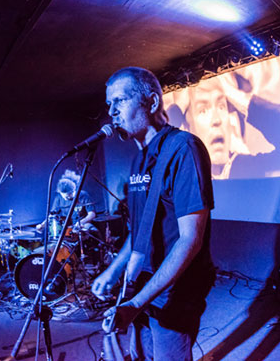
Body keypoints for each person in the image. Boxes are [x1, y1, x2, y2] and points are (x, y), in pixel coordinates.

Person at [92, 67, 215, 360]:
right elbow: (139, 232)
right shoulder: (139, 160)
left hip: (174, 288)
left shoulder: (183, 148)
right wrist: (114, 271)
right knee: (142, 354)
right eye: (109, 104)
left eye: (120, 101)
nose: (111, 112)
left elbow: (190, 239)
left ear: (152, 102)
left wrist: (136, 304)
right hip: (143, 284)